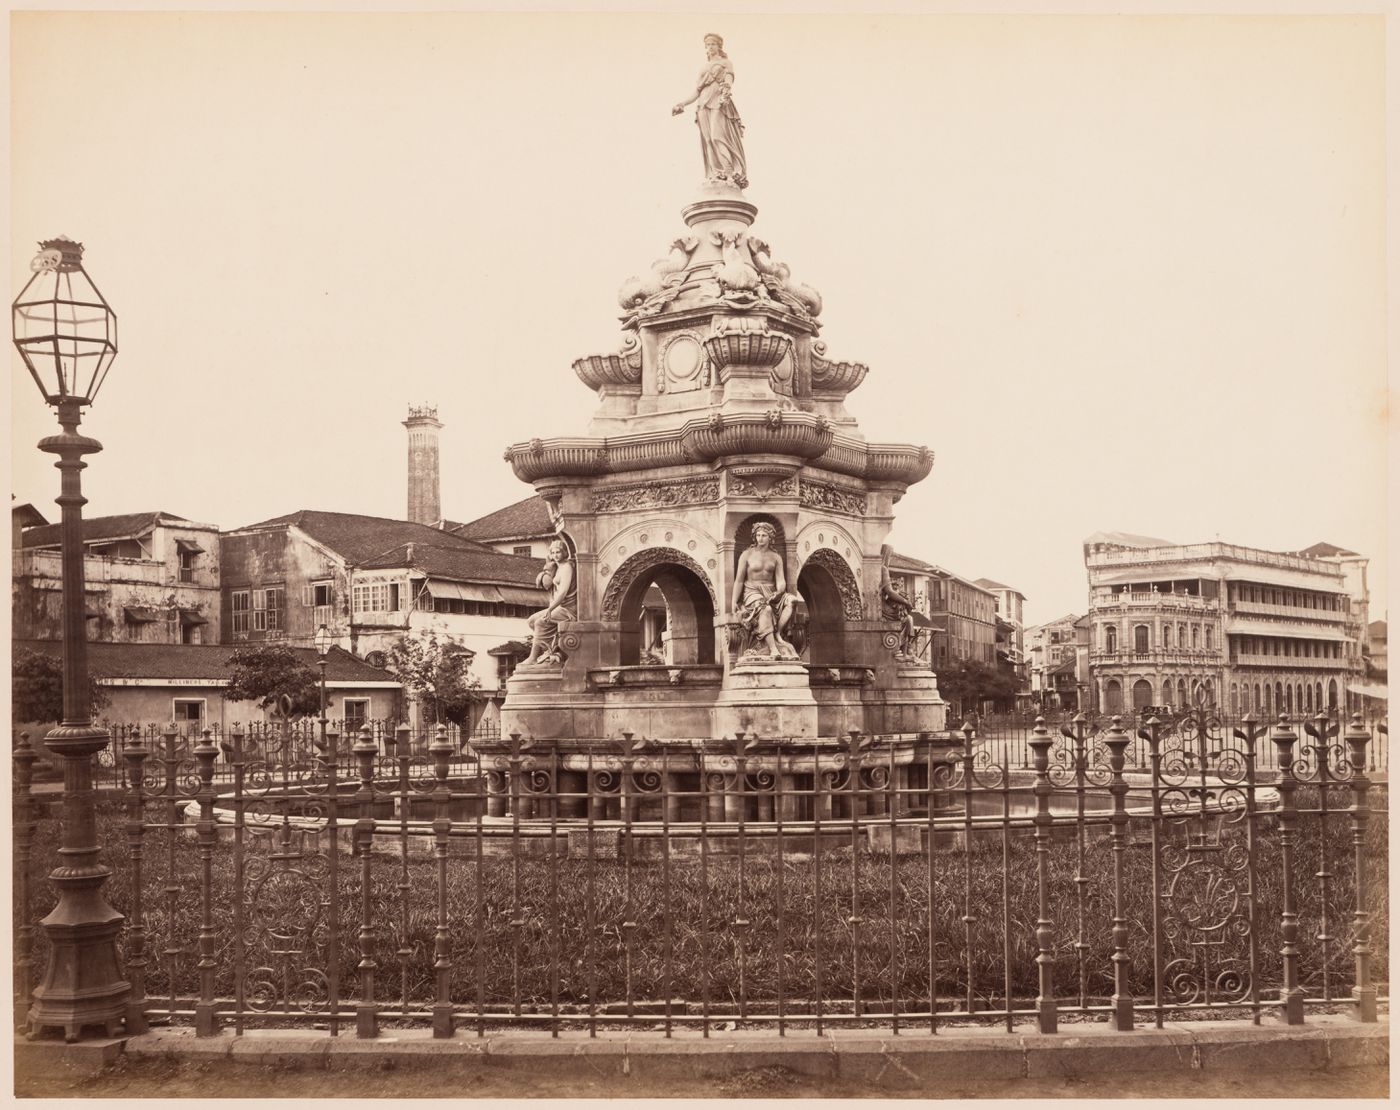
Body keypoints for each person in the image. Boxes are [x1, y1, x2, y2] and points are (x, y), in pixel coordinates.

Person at [671, 33, 749, 190]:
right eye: (707, 45)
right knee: (708, 141)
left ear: (719, 46)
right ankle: (717, 174)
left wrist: (726, 91)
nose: (709, 47)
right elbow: (697, 92)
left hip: (718, 103)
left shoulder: (726, 63)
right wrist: (683, 104)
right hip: (703, 105)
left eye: (712, 44)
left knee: (717, 136)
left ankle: (729, 173)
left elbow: (728, 80)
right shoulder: (703, 68)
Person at [730, 522, 799, 660]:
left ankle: (778, 633)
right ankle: (773, 649)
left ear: (770, 537)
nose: (760, 538)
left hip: (772, 592)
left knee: (792, 600)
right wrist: (733, 602)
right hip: (752, 591)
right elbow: (738, 580)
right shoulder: (746, 554)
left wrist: (779, 591)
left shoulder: (776, 557)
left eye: (764, 535)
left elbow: (780, 580)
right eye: (758, 535)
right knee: (765, 609)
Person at [525, 539, 576, 666]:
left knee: (541, 623)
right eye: (552, 552)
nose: (555, 555)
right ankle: (550, 650)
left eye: (558, 552)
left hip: (568, 608)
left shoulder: (567, 567)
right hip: (559, 606)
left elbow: (563, 592)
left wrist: (550, 609)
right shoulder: (558, 567)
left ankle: (533, 657)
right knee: (531, 621)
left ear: (564, 552)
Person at [879, 544, 917, 660]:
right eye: (890, 555)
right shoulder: (883, 569)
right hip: (882, 608)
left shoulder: (877, 568)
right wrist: (905, 602)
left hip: (879, 605)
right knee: (908, 619)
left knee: (907, 618)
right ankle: (902, 649)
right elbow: (890, 592)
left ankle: (904, 649)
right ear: (886, 555)